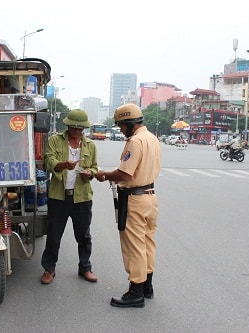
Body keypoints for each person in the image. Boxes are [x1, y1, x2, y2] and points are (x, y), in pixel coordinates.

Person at [95, 103, 161, 308]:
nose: (121, 130)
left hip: (134, 199)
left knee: (134, 246)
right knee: (148, 242)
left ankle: (136, 292)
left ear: (129, 122)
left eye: (121, 126)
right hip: (150, 196)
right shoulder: (152, 138)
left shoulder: (135, 141)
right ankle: (147, 286)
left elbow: (125, 173)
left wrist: (105, 175)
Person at [40, 109, 99, 285]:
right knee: (54, 235)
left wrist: (90, 173)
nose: (77, 132)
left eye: (80, 129)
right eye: (74, 128)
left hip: (82, 198)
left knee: (84, 236)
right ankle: (49, 269)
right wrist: (63, 164)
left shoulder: (90, 145)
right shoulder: (55, 141)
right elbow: (49, 163)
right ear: (68, 126)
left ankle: (85, 268)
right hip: (59, 197)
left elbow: (95, 167)